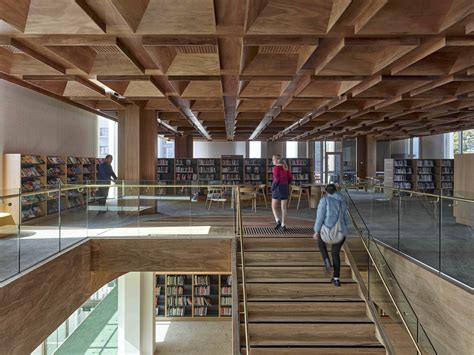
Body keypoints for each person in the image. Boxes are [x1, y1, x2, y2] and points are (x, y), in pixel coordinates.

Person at [313, 184, 349, 287]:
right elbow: (346, 217)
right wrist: (345, 230)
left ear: (326, 192)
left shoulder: (325, 201)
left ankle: (326, 260)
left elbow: (320, 217)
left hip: (327, 231)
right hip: (340, 232)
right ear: (336, 190)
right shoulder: (343, 201)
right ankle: (336, 278)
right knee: (335, 254)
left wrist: (316, 231)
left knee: (320, 241)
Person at [271, 154, 293, 232]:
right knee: (283, 208)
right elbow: (290, 178)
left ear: (277, 160)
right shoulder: (286, 168)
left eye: (273, 159)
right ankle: (283, 225)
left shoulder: (276, 168)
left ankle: (278, 221)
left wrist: (272, 188)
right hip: (285, 188)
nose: (272, 161)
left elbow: (276, 180)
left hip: (278, 188)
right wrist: (286, 184)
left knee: (273, 206)